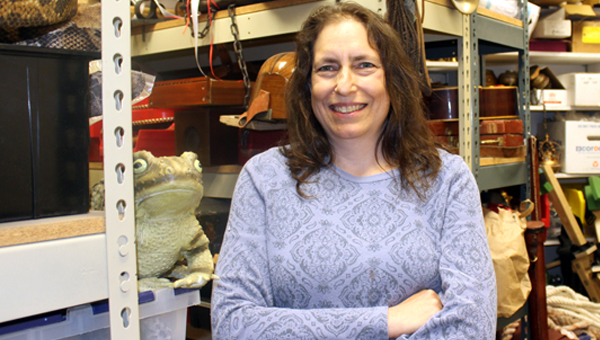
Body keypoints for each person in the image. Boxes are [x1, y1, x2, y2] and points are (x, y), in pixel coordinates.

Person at [211, 2, 497, 339]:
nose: (344, 86)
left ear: (393, 79)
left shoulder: (446, 179)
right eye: (327, 68)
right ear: (307, 84)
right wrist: (388, 321)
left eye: (364, 65)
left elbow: (472, 326)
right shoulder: (264, 179)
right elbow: (232, 325)